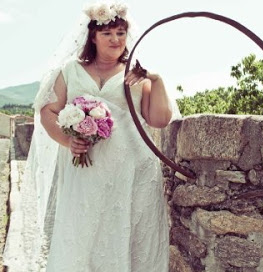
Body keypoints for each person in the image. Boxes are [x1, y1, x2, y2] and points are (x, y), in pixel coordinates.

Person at [3, 2, 177, 271]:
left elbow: (159, 120)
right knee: (83, 235)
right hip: (85, 172)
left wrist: (156, 80)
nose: (115, 39)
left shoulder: (136, 74)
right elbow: (49, 111)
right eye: (108, 34)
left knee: (129, 236)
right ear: (93, 37)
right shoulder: (71, 71)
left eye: (120, 33)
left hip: (131, 171)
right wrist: (68, 140)